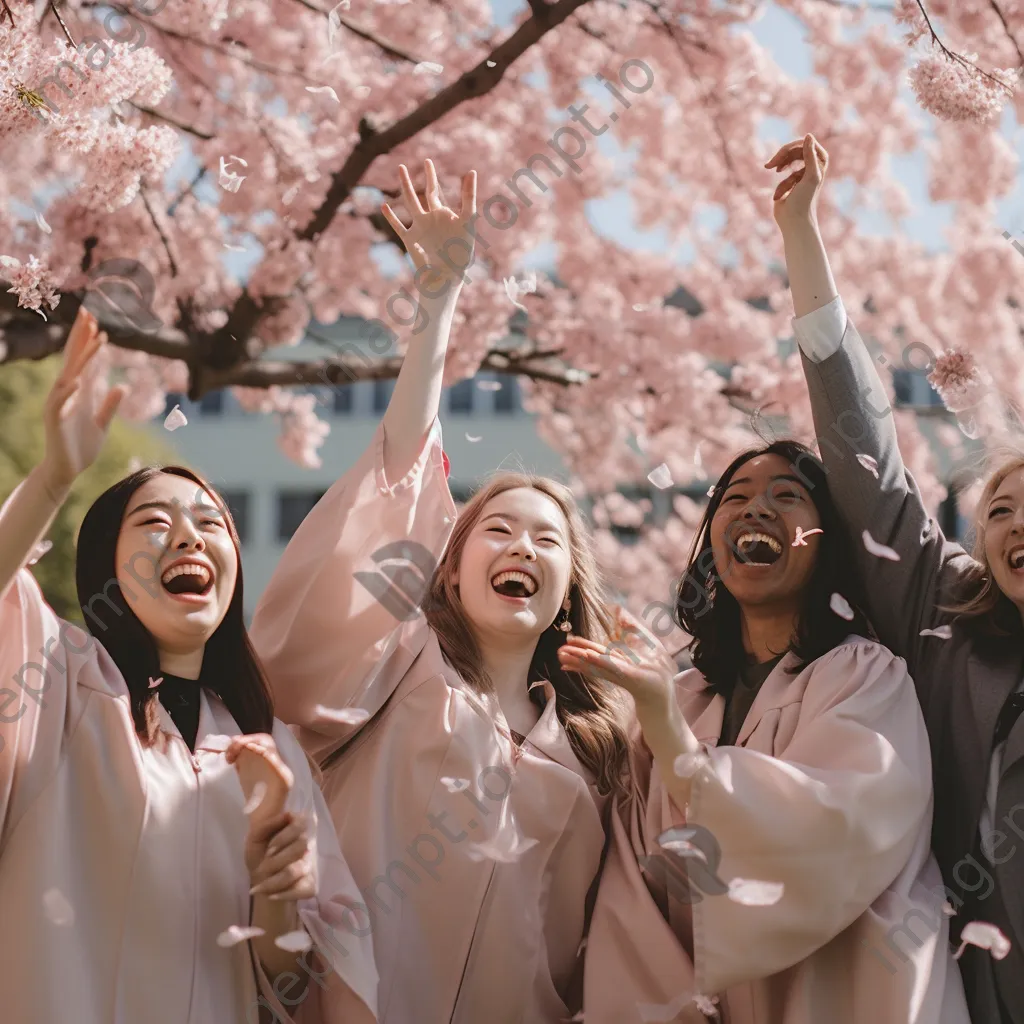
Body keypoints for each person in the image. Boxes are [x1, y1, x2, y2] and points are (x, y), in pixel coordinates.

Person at [249, 159, 635, 1023]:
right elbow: (400, 469)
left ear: (569, 586)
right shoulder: (392, 670)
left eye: (547, 539)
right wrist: (438, 297)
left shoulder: (599, 742)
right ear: (448, 570)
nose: (522, 547)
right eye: (496, 530)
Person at [0, 308, 378, 1024]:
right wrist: (52, 480)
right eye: (153, 523)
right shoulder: (59, 685)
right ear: (105, 566)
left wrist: (278, 885)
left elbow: (289, 986)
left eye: (211, 524)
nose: (189, 537)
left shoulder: (269, 749)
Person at [563, 440, 970, 1023]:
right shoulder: (682, 699)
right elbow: (633, 899)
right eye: (736, 498)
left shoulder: (865, 677)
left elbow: (832, 835)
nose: (756, 509)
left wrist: (675, 743)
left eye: (787, 496)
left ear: (827, 539)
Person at [768, 131, 1024, 1023]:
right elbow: (864, 458)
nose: (1018, 524)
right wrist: (804, 236)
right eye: (999, 512)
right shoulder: (948, 619)